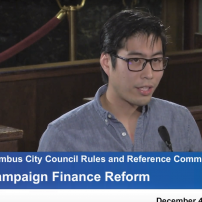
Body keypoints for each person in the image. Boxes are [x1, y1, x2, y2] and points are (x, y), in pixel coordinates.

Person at [38, 9, 202, 152]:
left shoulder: (180, 120)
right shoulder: (62, 135)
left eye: (156, 60)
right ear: (107, 63)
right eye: (136, 60)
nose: (149, 74)